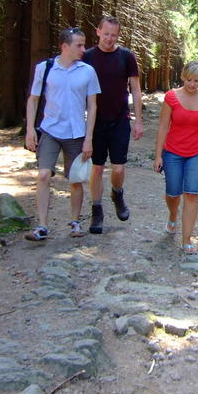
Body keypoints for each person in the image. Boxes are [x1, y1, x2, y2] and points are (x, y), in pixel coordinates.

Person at [24, 27, 100, 241]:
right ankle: (42, 226)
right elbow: (33, 99)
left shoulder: (87, 71)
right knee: (43, 175)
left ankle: (75, 222)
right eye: (79, 45)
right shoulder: (45, 68)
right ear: (64, 46)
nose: (83, 49)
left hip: (76, 133)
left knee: (75, 179)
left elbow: (92, 106)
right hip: (50, 130)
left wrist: (89, 139)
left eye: (84, 44)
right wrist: (30, 130)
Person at [82, 16, 143, 234]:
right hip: (95, 121)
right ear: (98, 31)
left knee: (118, 167)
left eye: (113, 35)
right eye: (106, 34)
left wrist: (138, 121)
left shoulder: (126, 56)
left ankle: (117, 193)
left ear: (118, 36)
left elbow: (135, 89)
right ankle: (96, 210)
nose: (109, 39)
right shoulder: (87, 57)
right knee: (97, 168)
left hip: (120, 118)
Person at [153, 61, 198, 254]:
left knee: (192, 193)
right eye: (189, 80)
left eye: (196, 81)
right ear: (183, 77)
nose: (192, 84)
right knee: (173, 193)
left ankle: (186, 238)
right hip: (172, 152)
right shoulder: (171, 97)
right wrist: (158, 155)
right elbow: (163, 127)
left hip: (196, 154)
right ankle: (173, 215)